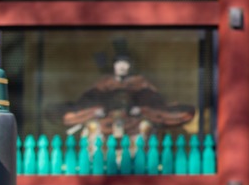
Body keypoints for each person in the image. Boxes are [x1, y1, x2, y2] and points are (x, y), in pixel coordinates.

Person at [61, 53, 194, 139]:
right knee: (93, 127)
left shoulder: (140, 82)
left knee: (145, 127)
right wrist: (96, 110)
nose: (122, 67)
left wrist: (141, 109)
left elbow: (154, 101)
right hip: (106, 121)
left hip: (133, 122)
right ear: (113, 66)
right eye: (119, 63)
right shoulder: (104, 83)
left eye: (126, 63)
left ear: (131, 66)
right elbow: (88, 100)